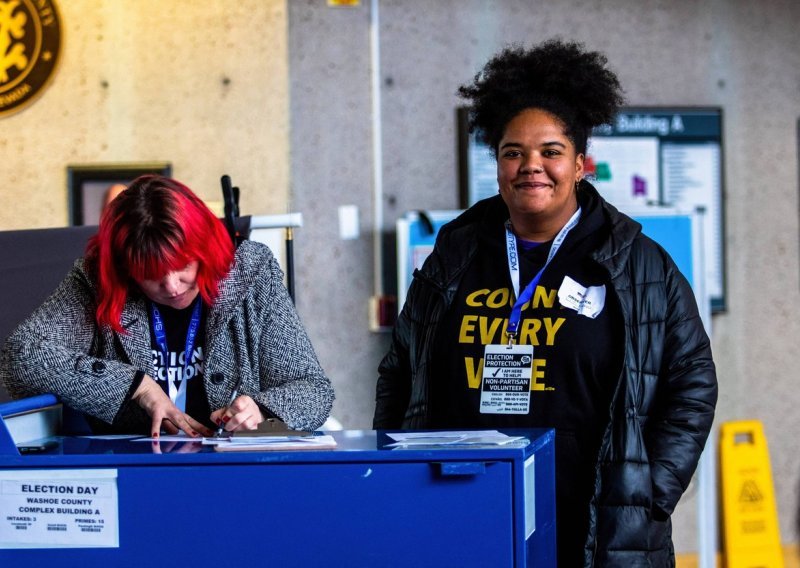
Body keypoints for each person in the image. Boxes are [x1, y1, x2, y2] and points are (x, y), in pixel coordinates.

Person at [374, 40, 717, 566]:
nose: (531, 166)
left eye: (551, 152)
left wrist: (649, 495)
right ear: (498, 163)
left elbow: (692, 382)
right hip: (460, 505)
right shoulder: (454, 255)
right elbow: (400, 367)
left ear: (581, 165)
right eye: (514, 152)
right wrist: (402, 466)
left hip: (593, 517)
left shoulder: (640, 265)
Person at [0, 174, 334, 438]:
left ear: (204, 249)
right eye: (151, 276)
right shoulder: (96, 279)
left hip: (233, 472)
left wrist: (260, 409)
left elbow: (313, 392)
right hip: (134, 470)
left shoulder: (250, 269)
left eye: (184, 266)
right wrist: (137, 387)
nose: (172, 287)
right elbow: (20, 356)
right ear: (126, 269)